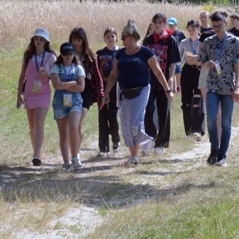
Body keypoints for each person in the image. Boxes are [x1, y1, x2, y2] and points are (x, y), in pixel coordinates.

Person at [101, 20, 174, 165]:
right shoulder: (120, 53)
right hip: (123, 91)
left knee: (135, 120)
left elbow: (158, 73)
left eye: (124, 37)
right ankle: (133, 154)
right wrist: (106, 94)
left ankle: (135, 155)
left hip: (141, 91)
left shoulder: (146, 52)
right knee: (125, 122)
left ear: (133, 37)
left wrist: (168, 90)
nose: (121, 40)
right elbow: (114, 75)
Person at [199, 11, 239, 167]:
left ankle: (222, 155)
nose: (216, 29)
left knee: (226, 122)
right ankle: (214, 149)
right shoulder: (208, 42)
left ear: (226, 24)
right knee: (211, 117)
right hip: (212, 85)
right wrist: (207, 65)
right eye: (214, 26)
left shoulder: (235, 41)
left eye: (219, 26)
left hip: (228, 87)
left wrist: (238, 87)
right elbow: (202, 63)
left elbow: (237, 64)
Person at [16, 28, 57, 166]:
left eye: (41, 39)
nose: (38, 41)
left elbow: (56, 75)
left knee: (39, 121)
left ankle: (37, 154)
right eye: (36, 39)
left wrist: (48, 75)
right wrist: (18, 97)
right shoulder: (28, 56)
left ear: (46, 42)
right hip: (29, 93)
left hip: (44, 93)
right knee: (32, 125)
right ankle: (36, 153)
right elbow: (22, 77)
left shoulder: (51, 57)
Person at [142, 13, 181, 155]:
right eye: (155, 22)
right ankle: (150, 137)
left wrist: (171, 78)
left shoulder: (170, 40)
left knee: (164, 112)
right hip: (149, 80)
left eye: (160, 22)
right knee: (148, 110)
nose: (157, 25)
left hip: (164, 80)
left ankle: (161, 143)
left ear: (164, 24)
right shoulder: (148, 40)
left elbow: (173, 62)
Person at [50, 42, 86, 171]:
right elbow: (56, 85)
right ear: (62, 55)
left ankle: (75, 157)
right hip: (60, 103)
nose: (68, 57)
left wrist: (63, 84)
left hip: (75, 102)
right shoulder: (56, 68)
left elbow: (81, 87)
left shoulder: (78, 68)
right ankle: (66, 162)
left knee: (74, 127)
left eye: (70, 54)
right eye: (66, 54)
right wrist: (71, 83)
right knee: (63, 133)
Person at [69, 27, 104, 155]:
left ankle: (76, 153)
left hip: (86, 92)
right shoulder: (67, 55)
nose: (76, 43)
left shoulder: (90, 56)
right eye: (74, 40)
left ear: (83, 40)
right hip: (70, 91)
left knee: (78, 124)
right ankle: (73, 150)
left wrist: (101, 95)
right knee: (71, 126)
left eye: (79, 40)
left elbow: (97, 76)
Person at [96, 27, 121, 157]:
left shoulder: (122, 52)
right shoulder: (99, 53)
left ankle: (116, 139)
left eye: (113, 36)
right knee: (102, 117)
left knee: (113, 116)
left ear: (116, 37)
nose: (110, 38)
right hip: (102, 88)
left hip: (116, 89)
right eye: (108, 36)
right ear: (104, 39)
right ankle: (103, 148)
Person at [179, 19, 204, 142]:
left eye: (193, 30)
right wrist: (187, 58)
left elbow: (203, 58)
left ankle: (197, 129)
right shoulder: (184, 42)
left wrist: (194, 58)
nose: (191, 32)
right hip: (187, 72)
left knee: (197, 101)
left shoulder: (203, 42)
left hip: (199, 72)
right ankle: (189, 129)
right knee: (186, 102)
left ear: (198, 29)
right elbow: (179, 59)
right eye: (189, 30)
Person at [168, 17, 186, 94]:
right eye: (169, 25)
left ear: (176, 25)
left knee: (178, 71)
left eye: (172, 25)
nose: (171, 27)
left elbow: (185, 42)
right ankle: (172, 88)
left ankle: (179, 87)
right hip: (170, 54)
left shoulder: (180, 33)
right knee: (171, 71)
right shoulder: (168, 34)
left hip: (178, 55)